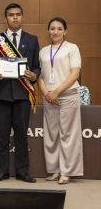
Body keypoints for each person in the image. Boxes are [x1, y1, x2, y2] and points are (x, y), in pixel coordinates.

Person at [0, 3, 40, 183]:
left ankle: (23, 172)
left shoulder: (32, 39)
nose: (15, 17)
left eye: (18, 14)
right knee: (2, 135)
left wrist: (34, 75)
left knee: (21, 135)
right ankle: (2, 171)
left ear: (22, 17)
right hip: (2, 95)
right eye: (11, 15)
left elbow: (37, 67)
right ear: (5, 19)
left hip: (23, 95)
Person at [37, 17, 83, 184]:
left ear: (65, 31)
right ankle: (55, 170)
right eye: (52, 28)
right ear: (48, 31)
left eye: (59, 28)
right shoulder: (43, 51)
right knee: (52, 135)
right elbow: (39, 76)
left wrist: (56, 92)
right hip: (49, 97)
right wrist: (47, 93)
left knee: (68, 134)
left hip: (68, 94)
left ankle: (67, 171)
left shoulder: (72, 48)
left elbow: (75, 74)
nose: (55, 31)